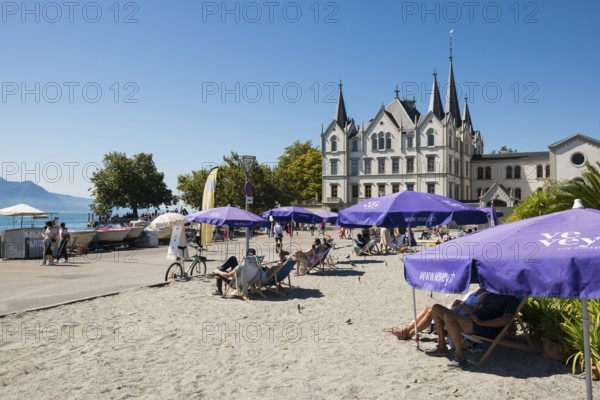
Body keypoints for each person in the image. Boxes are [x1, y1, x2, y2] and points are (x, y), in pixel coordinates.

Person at [424, 290, 520, 369]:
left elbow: (505, 320)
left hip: (485, 329)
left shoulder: (511, 299)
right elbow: (477, 311)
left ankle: (460, 357)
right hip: (473, 321)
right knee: (436, 308)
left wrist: (482, 323)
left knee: (448, 316)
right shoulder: (491, 295)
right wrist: (463, 305)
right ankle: (442, 347)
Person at [384, 287, 489, 340]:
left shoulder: (485, 295)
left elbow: (474, 311)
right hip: (455, 310)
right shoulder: (477, 290)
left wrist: (461, 304)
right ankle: (406, 330)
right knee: (427, 308)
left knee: (431, 311)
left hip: (458, 317)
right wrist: (458, 303)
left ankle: (410, 334)